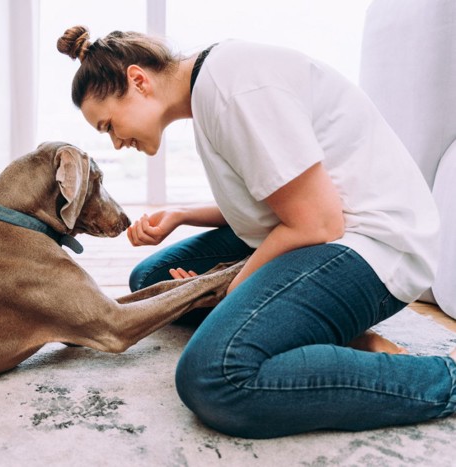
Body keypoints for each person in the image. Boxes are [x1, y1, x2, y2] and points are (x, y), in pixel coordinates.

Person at [56, 25, 455, 439]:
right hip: (322, 230)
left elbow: (317, 221)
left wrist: (235, 287)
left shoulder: (233, 89)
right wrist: (181, 215)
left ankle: (445, 377)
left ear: (138, 81)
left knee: (216, 378)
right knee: (155, 283)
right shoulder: (210, 91)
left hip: (371, 246)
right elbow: (273, 199)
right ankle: (332, 333)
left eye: (107, 126)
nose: (117, 142)